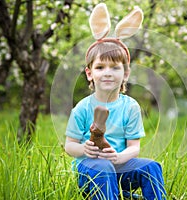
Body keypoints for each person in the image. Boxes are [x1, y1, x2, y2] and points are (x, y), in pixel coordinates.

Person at [64, 3, 166, 200]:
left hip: (119, 165)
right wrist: (84, 149)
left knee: (151, 167)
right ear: (89, 73)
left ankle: (125, 194)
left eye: (115, 68)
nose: (108, 73)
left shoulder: (131, 107)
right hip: (90, 170)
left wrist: (120, 157)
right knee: (103, 168)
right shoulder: (83, 108)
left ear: (125, 73)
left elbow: (134, 147)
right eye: (100, 67)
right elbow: (70, 146)